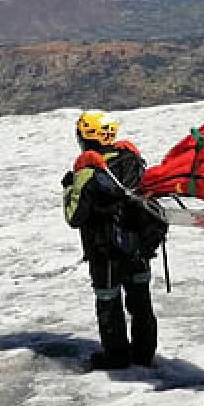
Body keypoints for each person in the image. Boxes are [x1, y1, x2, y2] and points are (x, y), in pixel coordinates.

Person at [61, 109, 158, 370]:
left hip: (105, 251)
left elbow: (74, 217)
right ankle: (144, 355)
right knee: (141, 301)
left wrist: (69, 187)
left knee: (109, 302)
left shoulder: (87, 171)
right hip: (139, 247)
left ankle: (116, 358)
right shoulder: (133, 161)